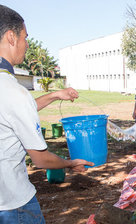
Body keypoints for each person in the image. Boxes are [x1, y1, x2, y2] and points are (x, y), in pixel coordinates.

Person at [0, 5, 93, 224]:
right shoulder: (13, 91)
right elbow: (40, 159)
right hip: (14, 205)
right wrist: (70, 163)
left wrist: (54, 95)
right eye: (25, 37)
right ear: (11, 37)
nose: (27, 44)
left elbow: (11, 113)